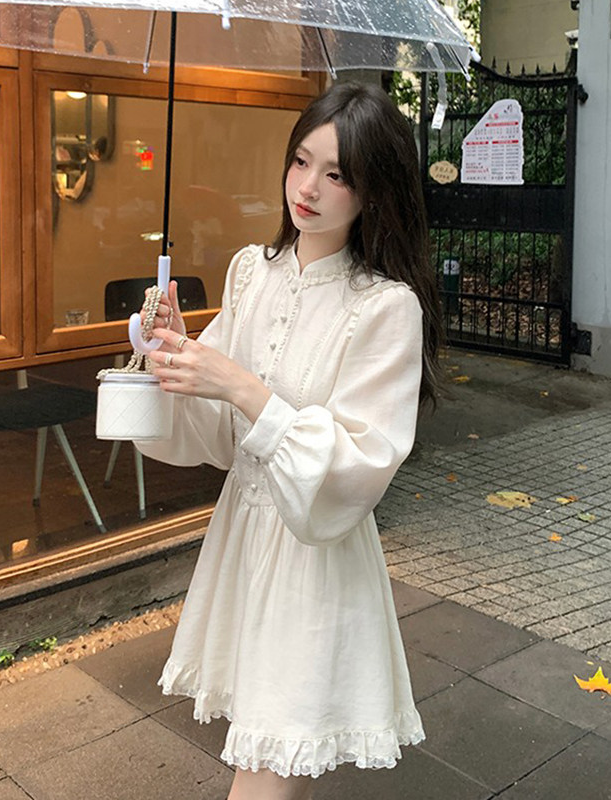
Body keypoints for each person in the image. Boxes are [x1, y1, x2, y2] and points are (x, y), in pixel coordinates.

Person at [137, 81, 443, 800]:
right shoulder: (253, 271)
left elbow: (358, 467)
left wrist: (243, 387)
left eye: (337, 174)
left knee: (268, 769)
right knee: (274, 757)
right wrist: (175, 353)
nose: (307, 188)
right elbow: (217, 434)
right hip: (242, 538)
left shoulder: (386, 307)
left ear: (374, 191)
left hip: (315, 559)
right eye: (301, 161)